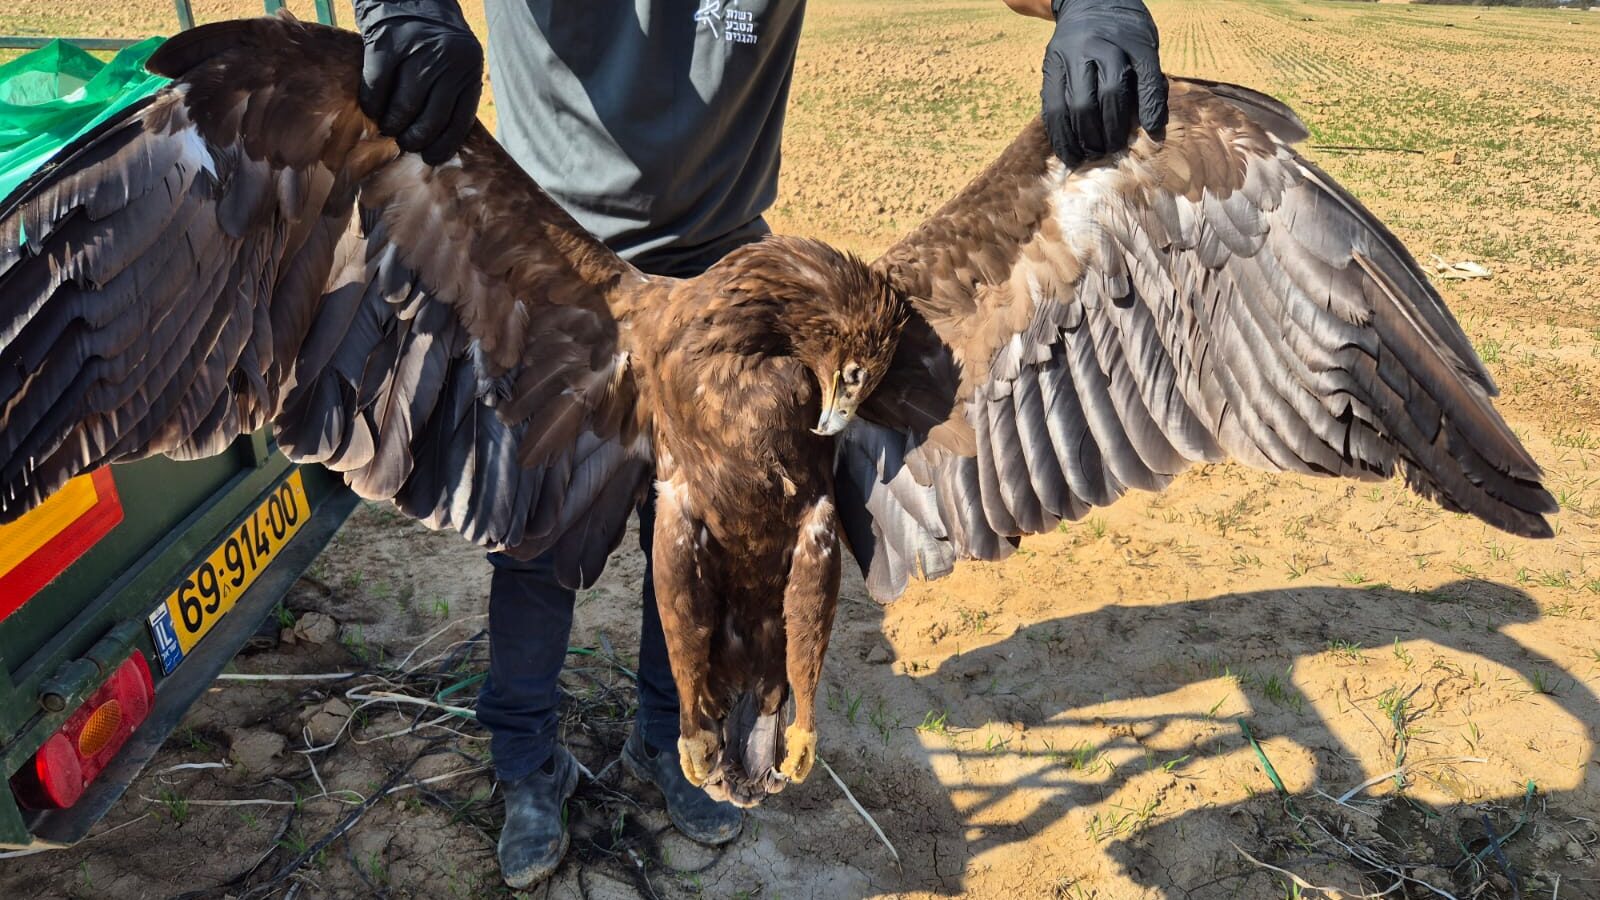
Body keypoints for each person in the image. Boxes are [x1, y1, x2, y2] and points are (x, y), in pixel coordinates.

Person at [352, 0, 1167, 888]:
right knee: (535, 543)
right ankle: (524, 768)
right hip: (550, 267)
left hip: (735, 277)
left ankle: (672, 737)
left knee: (723, 537)